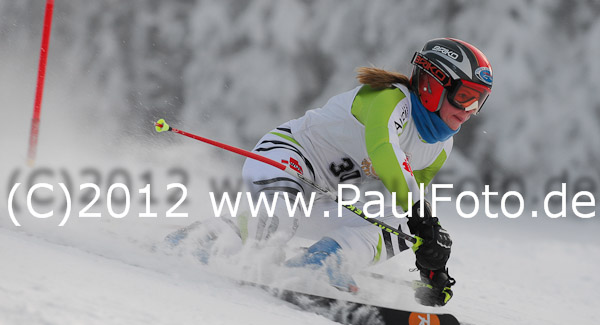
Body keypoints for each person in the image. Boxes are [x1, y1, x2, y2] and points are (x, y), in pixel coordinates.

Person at [168, 37, 493, 307]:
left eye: (478, 102)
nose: (469, 112)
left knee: (399, 228)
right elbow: (384, 151)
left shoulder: (440, 148)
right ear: (433, 86)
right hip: (286, 160)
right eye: (465, 97)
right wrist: (422, 215)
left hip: (324, 199)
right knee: (275, 227)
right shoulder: (389, 99)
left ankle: (325, 261)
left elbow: (404, 201)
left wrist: (432, 261)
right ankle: (200, 238)